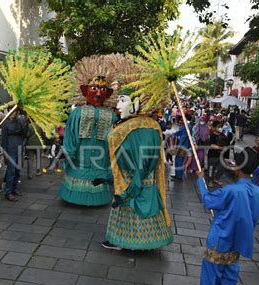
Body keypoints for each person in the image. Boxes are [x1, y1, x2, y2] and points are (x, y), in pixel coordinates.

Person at [181, 147, 259, 285]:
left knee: (210, 278)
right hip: (239, 242)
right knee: (229, 280)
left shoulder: (231, 190)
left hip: (221, 240)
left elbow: (208, 200)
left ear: (238, 167)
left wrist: (201, 181)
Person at [99, 87, 173, 250]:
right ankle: (125, 241)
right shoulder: (141, 125)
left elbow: (145, 162)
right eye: (118, 100)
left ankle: (132, 243)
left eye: (123, 100)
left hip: (136, 182)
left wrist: (130, 189)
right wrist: (108, 176)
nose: (118, 105)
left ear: (137, 103)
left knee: (131, 207)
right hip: (127, 181)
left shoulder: (146, 127)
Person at [59, 75, 117, 206]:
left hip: (101, 158)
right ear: (85, 91)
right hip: (80, 156)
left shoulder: (112, 116)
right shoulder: (77, 113)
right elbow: (71, 133)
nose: (98, 93)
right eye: (94, 88)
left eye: (103, 89)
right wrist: (70, 151)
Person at [1, 107, 28, 201]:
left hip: (19, 148)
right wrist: (5, 153)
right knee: (11, 171)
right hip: (10, 150)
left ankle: (14, 188)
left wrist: (25, 123)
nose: (14, 113)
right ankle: (8, 192)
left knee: (17, 170)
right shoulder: (5, 124)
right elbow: (3, 140)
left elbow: (25, 134)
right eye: (12, 111)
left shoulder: (21, 122)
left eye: (16, 111)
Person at [207, 121, 229, 188]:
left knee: (222, 168)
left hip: (221, 155)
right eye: (218, 127)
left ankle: (216, 179)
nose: (220, 128)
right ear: (214, 127)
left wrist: (224, 149)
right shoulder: (212, 135)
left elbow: (227, 145)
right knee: (211, 168)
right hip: (213, 155)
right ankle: (210, 180)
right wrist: (221, 148)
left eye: (221, 127)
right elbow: (211, 145)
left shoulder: (223, 135)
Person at [171, 116, 192, 181]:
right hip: (182, 146)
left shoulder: (187, 126)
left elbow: (183, 137)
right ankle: (177, 175)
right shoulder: (185, 126)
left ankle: (179, 177)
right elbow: (180, 132)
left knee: (179, 161)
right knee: (177, 160)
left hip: (183, 147)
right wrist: (173, 134)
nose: (180, 121)